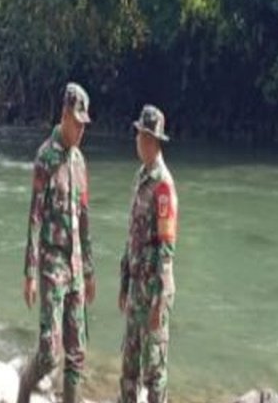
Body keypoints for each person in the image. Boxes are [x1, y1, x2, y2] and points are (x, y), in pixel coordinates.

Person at [18, 82, 95, 403]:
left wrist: (89, 271)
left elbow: (85, 218)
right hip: (51, 267)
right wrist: (29, 273)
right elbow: (34, 218)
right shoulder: (45, 158)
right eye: (76, 123)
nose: (80, 130)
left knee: (77, 354)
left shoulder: (79, 162)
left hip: (76, 266)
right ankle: (25, 385)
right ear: (64, 115)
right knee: (50, 352)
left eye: (84, 125)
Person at [118, 105, 177, 403]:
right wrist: (123, 283)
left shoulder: (163, 186)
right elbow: (133, 236)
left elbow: (166, 251)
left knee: (154, 371)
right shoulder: (141, 176)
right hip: (136, 290)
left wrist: (158, 303)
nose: (137, 140)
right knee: (129, 363)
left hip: (153, 293)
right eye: (138, 134)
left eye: (141, 135)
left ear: (153, 141)